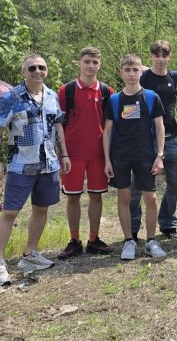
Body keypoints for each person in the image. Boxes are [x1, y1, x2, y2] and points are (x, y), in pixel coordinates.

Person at [0, 55, 71, 286]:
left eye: (41, 67)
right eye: (32, 67)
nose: (37, 71)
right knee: (10, 213)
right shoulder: (11, 98)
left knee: (41, 210)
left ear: (47, 71)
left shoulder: (52, 96)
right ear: (23, 72)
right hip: (21, 165)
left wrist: (64, 154)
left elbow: (58, 126)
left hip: (48, 165)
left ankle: (30, 255)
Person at [103, 54, 167, 261]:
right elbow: (107, 132)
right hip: (120, 156)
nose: (132, 74)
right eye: (128, 70)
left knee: (151, 198)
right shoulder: (114, 100)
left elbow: (159, 127)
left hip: (145, 155)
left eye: (135, 70)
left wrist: (160, 156)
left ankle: (150, 241)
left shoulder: (151, 97)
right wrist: (107, 160)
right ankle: (129, 240)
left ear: (142, 71)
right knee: (124, 197)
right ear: (121, 72)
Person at [57, 47, 115, 259]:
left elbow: (111, 126)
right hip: (72, 154)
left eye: (95, 62)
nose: (91, 66)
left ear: (100, 65)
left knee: (96, 196)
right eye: (87, 61)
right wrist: (61, 153)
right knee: (72, 198)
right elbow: (58, 125)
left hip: (99, 154)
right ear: (79, 63)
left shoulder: (108, 92)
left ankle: (94, 239)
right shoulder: (67, 90)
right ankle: (74, 241)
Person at [130, 40, 177, 241]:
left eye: (164, 56)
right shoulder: (143, 77)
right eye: (157, 55)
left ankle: (167, 221)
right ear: (151, 57)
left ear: (169, 57)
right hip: (146, 141)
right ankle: (133, 227)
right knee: (136, 187)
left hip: (171, 138)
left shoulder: (175, 77)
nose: (161, 59)